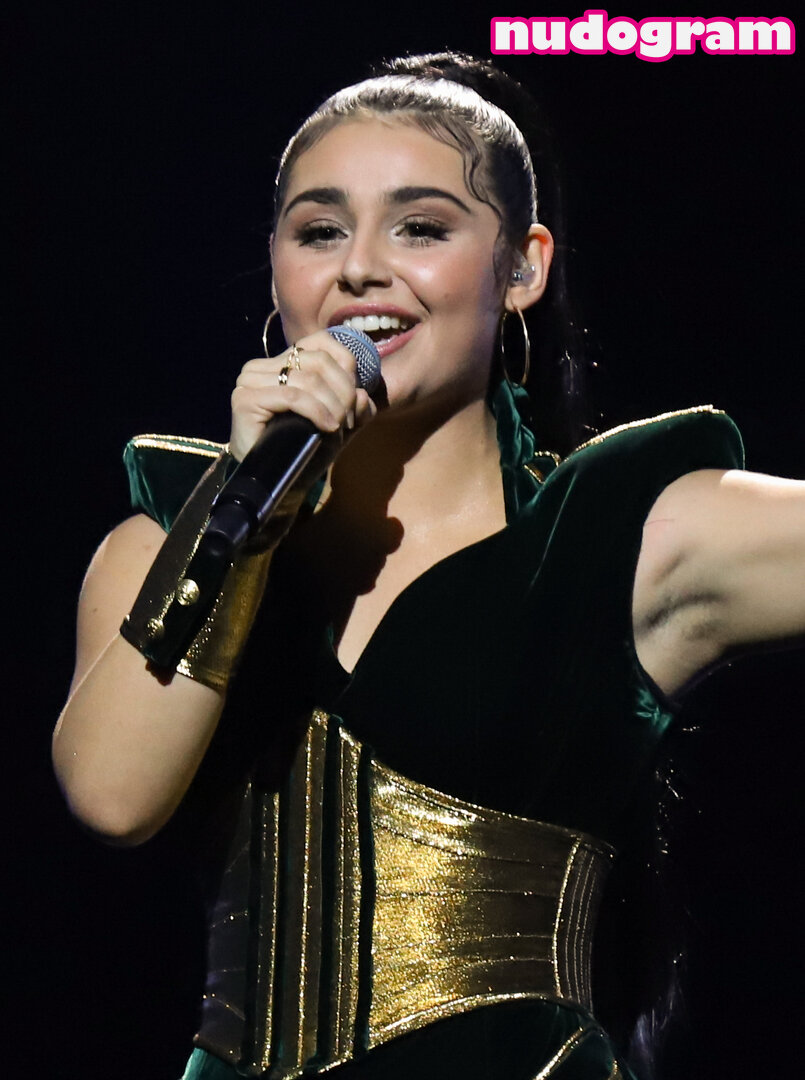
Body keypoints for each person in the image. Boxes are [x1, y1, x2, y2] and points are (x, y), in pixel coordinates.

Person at [53, 53, 805, 1080]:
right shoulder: (169, 539)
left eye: (420, 227)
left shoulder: (617, 535)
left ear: (522, 267)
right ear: (276, 270)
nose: (361, 268)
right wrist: (243, 518)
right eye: (320, 231)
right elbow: (112, 796)